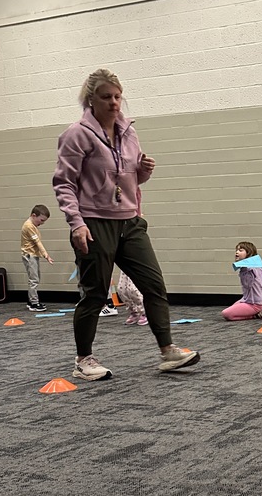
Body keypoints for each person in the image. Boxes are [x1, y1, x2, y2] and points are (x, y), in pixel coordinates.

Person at [52, 68, 200, 380]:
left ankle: (168, 350)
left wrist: (143, 170)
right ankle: (83, 360)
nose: (115, 103)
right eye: (106, 97)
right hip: (94, 223)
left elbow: (131, 177)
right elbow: (64, 183)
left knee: (154, 285)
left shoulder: (128, 132)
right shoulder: (76, 134)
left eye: (118, 96)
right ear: (91, 99)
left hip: (130, 222)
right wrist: (76, 223)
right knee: (94, 294)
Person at [222, 241, 262, 321]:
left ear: (249, 253)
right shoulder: (257, 267)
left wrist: (244, 271)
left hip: (253, 304)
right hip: (247, 300)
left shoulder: (247, 270)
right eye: (236, 250)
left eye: (241, 250)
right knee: (232, 308)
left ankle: (254, 315)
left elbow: (248, 284)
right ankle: (259, 307)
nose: (237, 252)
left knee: (226, 314)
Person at [21, 204, 54, 312]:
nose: (42, 223)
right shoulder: (29, 226)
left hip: (33, 255)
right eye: (41, 220)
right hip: (29, 255)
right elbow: (38, 242)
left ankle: (31, 300)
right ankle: (34, 303)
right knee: (34, 279)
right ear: (33, 215)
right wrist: (46, 255)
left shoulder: (32, 225)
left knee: (35, 278)